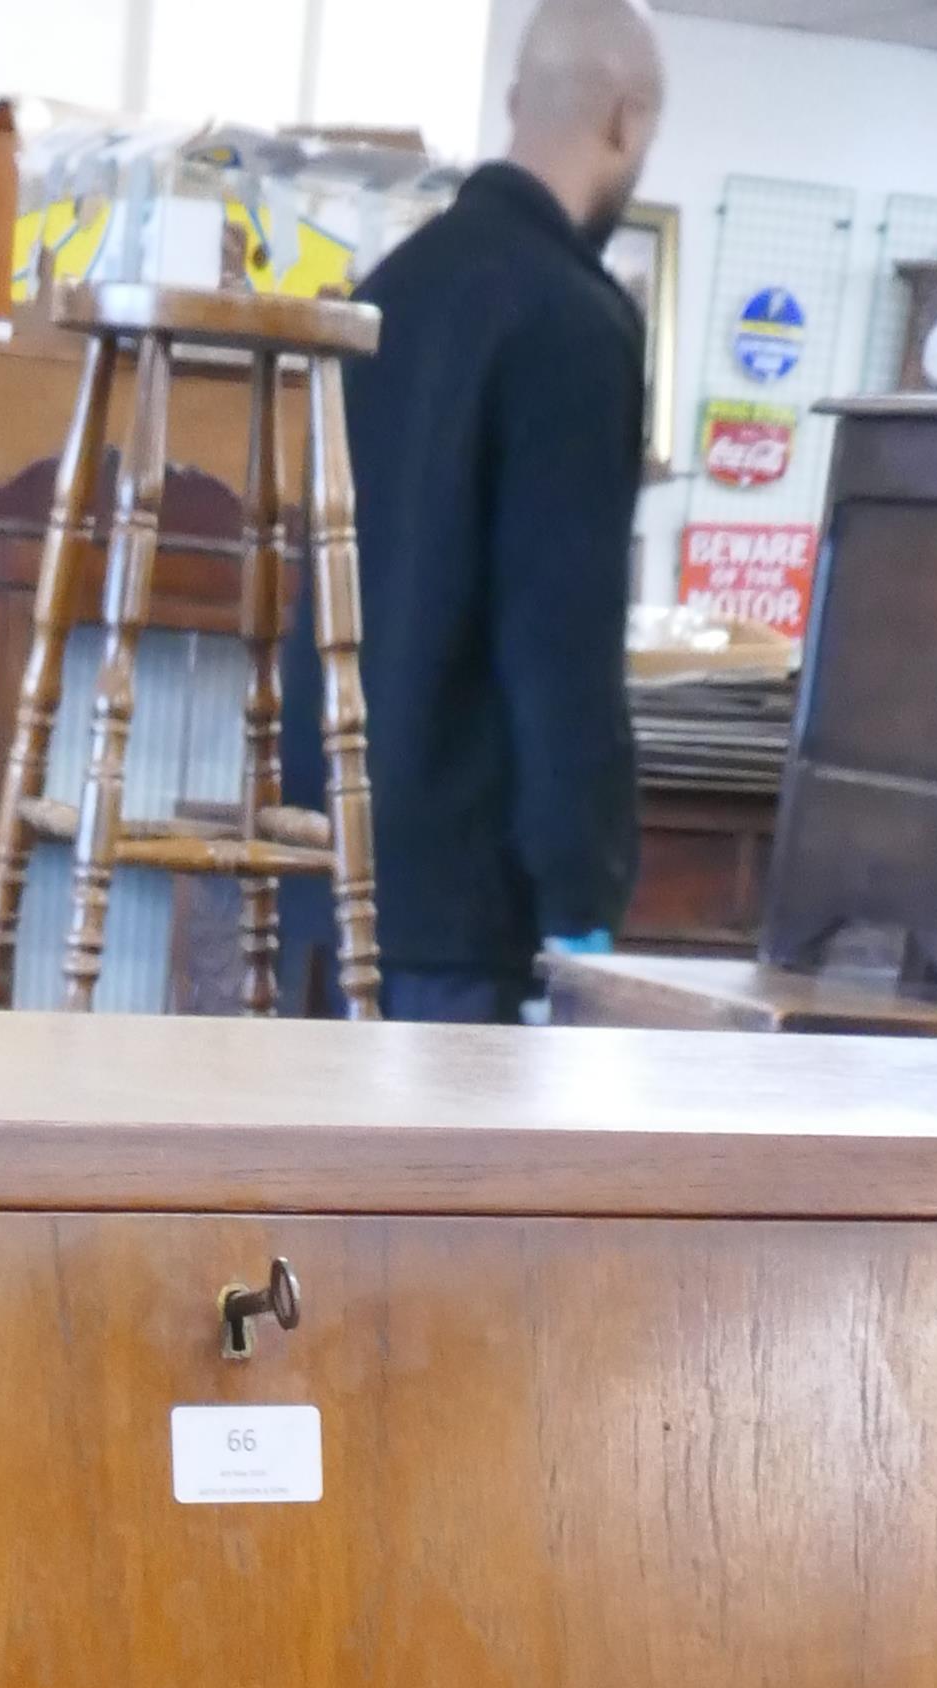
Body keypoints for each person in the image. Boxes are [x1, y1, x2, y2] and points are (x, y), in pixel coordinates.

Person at [342, 0, 664, 1021]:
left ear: (518, 102)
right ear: (626, 121)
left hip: (338, 866)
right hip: (473, 911)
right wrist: (580, 892)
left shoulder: (384, 290)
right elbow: (557, 634)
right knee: (456, 1185)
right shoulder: (574, 323)